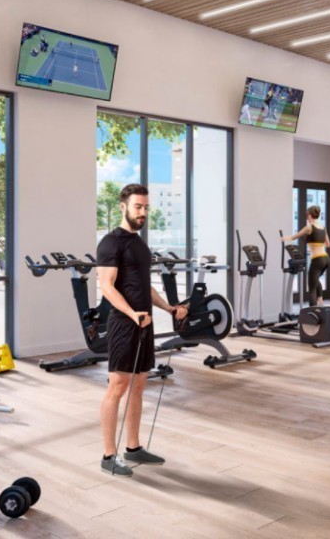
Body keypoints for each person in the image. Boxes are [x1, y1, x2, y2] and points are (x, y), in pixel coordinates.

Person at [96, 183, 187, 477]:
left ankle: (133, 447)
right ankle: (108, 455)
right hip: (124, 324)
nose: (143, 212)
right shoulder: (110, 243)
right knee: (118, 386)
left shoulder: (139, 245)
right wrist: (131, 313)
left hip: (144, 324)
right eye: (138, 207)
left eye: (146, 207)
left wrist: (169, 308)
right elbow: (106, 286)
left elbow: (145, 288)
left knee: (138, 385)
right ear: (123, 207)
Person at [282, 205, 329, 307]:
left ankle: (313, 312)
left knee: (312, 288)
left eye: (307, 216)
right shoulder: (323, 228)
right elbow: (328, 244)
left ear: (310, 215)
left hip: (317, 259)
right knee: (315, 280)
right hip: (326, 258)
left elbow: (293, 237)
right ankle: (320, 301)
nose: (307, 218)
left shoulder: (309, 227)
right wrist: (316, 243)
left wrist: (282, 238)